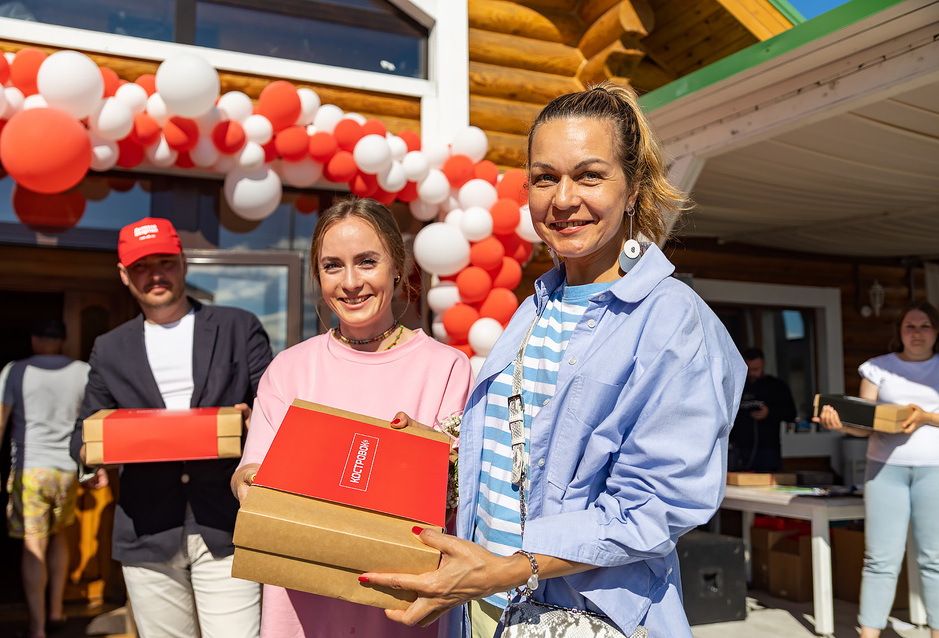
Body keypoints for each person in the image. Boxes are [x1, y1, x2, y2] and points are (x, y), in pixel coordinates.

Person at [363, 82, 746, 638]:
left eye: (589, 174)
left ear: (633, 187)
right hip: (485, 607)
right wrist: (444, 450)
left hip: (581, 615)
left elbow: (656, 507)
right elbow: (530, 457)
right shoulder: (538, 304)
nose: (563, 199)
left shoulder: (674, 323)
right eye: (544, 178)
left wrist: (510, 569)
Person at [231, 196, 473, 638]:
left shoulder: (446, 368)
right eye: (332, 266)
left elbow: (457, 497)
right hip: (302, 605)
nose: (351, 282)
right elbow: (252, 470)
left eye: (366, 262)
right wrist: (246, 480)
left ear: (397, 268)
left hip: (400, 608)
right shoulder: (289, 368)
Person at [70, 217, 271, 638]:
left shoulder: (238, 327)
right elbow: (84, 434)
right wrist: (92, 463)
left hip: (226, 524)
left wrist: (256, 423)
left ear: (182, 263)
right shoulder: (110, 348)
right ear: (124, 275)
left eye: (164, 261)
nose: (155, 274)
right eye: (142, 266)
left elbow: (275, 411)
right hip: (147, 530)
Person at [816, 300, 939, 638]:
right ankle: (870, 634)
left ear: (937, 331)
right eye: (910, 326)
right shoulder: (876, 368)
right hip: (885, 470)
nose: (917, 332)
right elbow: (866, 424)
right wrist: (839, 424)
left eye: (925, 326)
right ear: (899, 332)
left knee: (937, 559)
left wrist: (925, 416)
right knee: (880, 558)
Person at [1, 317, 89, 638]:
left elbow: (1, 420)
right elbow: (92, 421)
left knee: (33, 544)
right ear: (63, 341)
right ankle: (56, 610)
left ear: (34, 339)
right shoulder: (82, 371)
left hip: (31, 470)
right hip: (66, 471)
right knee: (60, 535)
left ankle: (37, 627)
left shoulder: (16, 370)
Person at [728, 347, 797, 472]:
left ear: (764, 365)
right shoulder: (736, 386)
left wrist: (769, 413)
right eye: (748, 369)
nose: (751, 373)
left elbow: (791, 413)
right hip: (739, 449)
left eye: (756, 369)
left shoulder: (776, 386)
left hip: (768, 450)